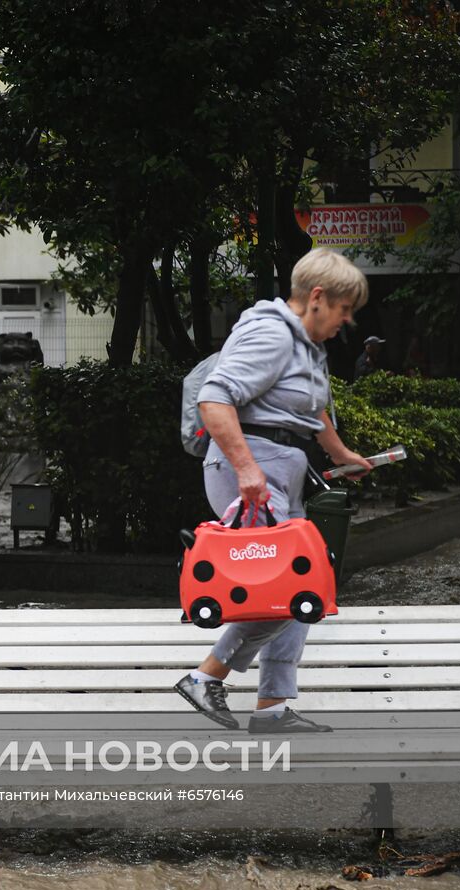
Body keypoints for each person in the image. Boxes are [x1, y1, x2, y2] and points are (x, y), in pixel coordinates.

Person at [174, 249, 373, 734]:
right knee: (286, 588)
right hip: (253, 467)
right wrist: (247, 470)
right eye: (345, 309)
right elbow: (214, 397)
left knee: (306, 582)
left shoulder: (304, 347)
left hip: (279, 467)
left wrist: (342, 455)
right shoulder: (270, 333)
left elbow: (314, 412)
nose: (347, 320)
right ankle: (206, 676)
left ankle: (274, 706)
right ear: (318, 298)